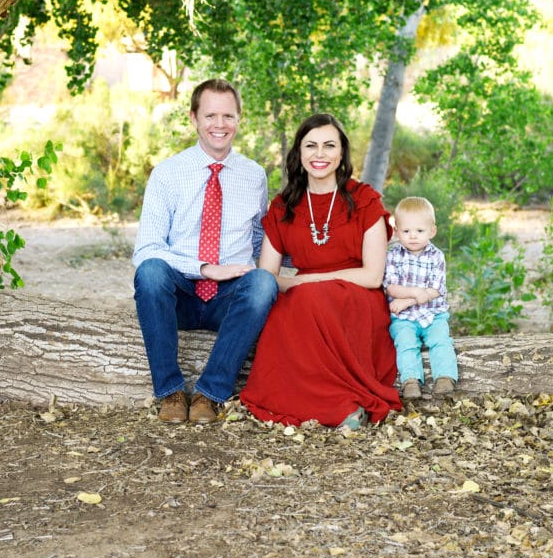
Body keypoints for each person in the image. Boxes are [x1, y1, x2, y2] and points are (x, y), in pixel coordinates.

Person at [239, 114, 402, 429]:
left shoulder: (364, 200)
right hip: (302, 299)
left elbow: (372, 276)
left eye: (329, 145)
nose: (320, 154)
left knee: (310, 299)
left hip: (358, 298)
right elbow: (267, 276)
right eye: (311, 145)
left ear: (342, 153)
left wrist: (304, 281)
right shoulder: (284, 207)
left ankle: (346, 402)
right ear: (298, 154)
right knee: (288, 314)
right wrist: (301, 286)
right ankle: (331, 408)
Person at [133, 79, 279, 425]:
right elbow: (146, 249)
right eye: (211, 115)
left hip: (229, 300)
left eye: (228, 116)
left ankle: (208, 395)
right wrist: (204, 268)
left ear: (239, 120)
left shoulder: (254, 175)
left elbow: (260, 240)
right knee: (150, 271)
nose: (220, 125)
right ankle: (170, 392)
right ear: (193, 118)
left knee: (263, 283)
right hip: (180, 294)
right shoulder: (167, 174)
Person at [384, 196, 459, 401]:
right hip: (404, 317)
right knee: (405, 342)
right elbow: (390, 286)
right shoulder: (393, 256)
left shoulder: (436, 256)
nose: (413, 236)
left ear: (432, 231)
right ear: (396, 231)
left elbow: (436, 289)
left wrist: (410, 299)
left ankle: (445, 377)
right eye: (406, 231)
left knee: (440, 340)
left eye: (420, 231)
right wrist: (417, 293)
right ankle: (411, 380)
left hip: (433, 313)